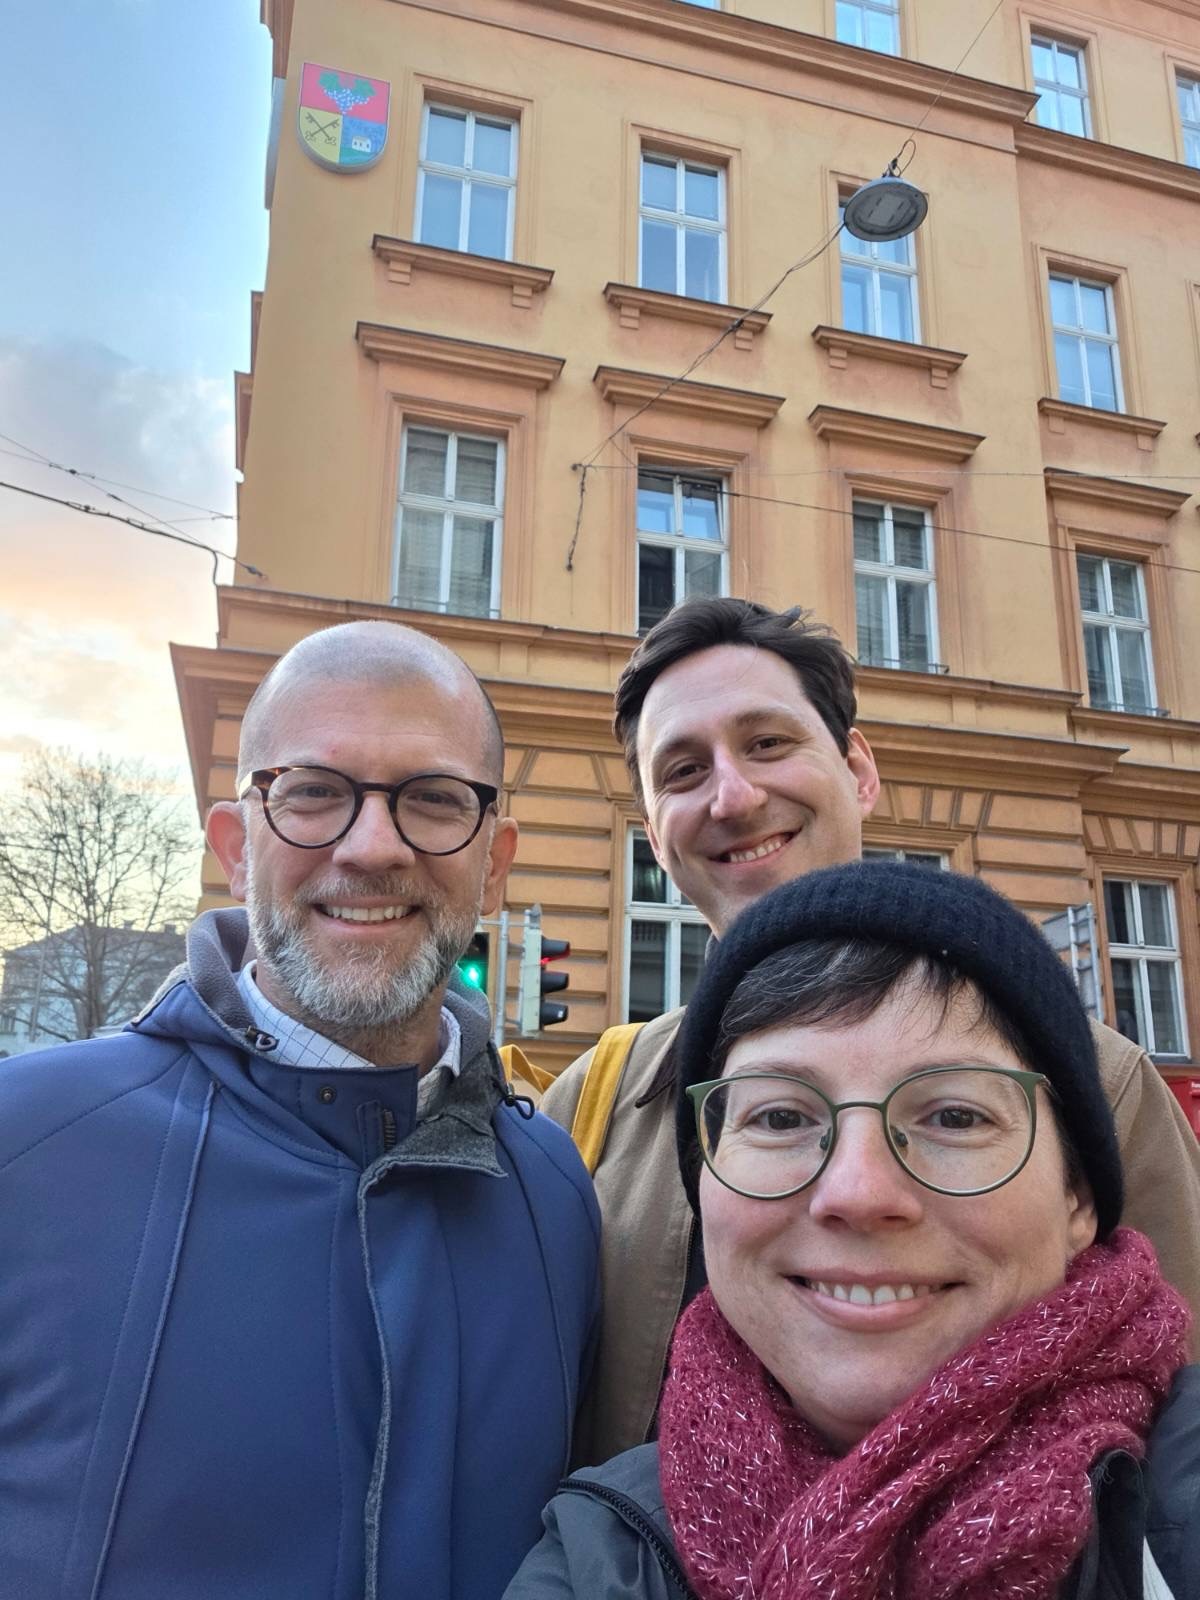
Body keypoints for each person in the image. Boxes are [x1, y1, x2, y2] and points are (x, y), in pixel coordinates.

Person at [0, 621, 599, 1600]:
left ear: (496, 864)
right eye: (315, 792)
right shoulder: (24, 1146)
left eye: (435, 798)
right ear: (237, 845)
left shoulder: (554, 1196)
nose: (371, 847)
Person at [541, 597, 1200, 1467]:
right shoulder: (593, 1100)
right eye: (683, 772)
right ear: (655, 835)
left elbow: (1177, 1395)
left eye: (769, 743)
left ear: (858, 771)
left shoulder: (1093, 1081)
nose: (733, 796)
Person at [510, 863, 1200, 1600]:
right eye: (778, 1117)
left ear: (1079, 1200)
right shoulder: (600, 1548)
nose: (859, 1191)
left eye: (955, 1116)